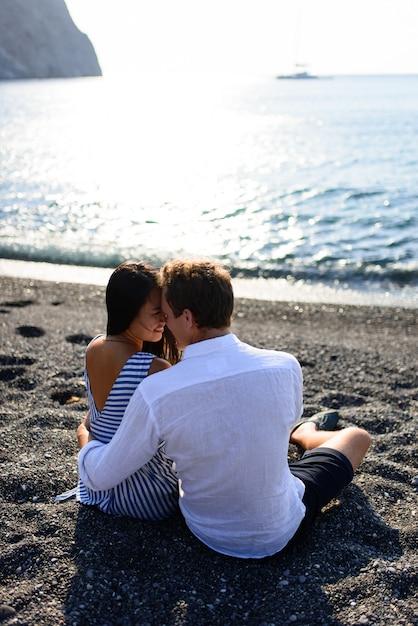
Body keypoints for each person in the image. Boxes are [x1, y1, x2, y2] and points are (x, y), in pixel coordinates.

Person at [79, 259, 371, 558]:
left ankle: (304, 434)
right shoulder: (285, 365)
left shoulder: (158, 389)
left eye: (166, 314)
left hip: (207, 531)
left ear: (188, 318)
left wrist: (85, 434)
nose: (164, 322)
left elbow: (101, 475)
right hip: (282, 528)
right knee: (357, 437)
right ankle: (306, 435)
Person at [76, 260, 181, 520]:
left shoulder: (94, 347)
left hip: (97, 490)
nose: (164, 319)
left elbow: (93, 424)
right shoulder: (154, 368)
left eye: (164, 311)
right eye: (156, 312)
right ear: (129, 310)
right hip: (148, 498)